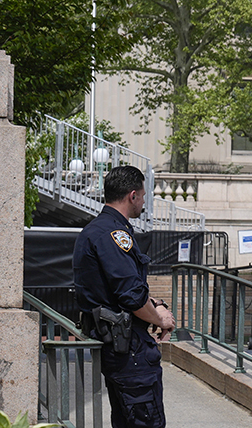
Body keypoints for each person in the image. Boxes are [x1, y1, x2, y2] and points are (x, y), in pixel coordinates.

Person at [74, 165, 176, 428]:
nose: (143, 201)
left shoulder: (100, 230)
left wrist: (155, 305)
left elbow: (121, 290)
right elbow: (131, 296)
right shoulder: (113, 234)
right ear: (132, 195)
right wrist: (161, 319)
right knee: (146, 421)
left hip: (123, 348)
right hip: (129, 353)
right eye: (143, 196)